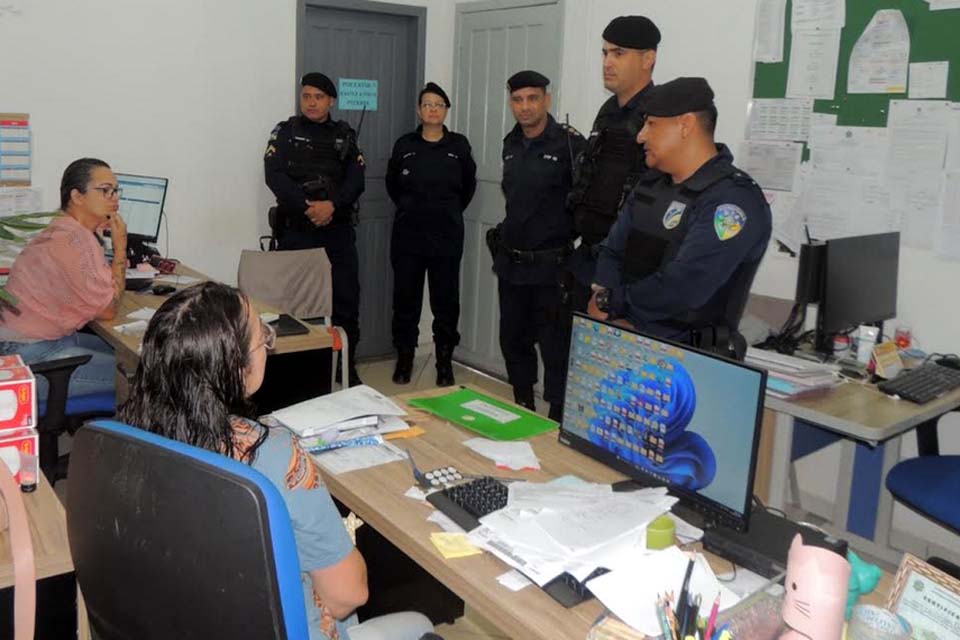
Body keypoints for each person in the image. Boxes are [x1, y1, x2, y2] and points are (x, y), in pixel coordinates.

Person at [117, 282, 440, 640]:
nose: (269, 345)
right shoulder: (273, 454)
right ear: (233, 366)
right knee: (420, 625)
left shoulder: (127, 438)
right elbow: (348, 596)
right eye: (262, 337)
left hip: (173, 622)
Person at [588, 77, 772, 356]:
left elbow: (685, 286)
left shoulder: (733, 200)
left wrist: (613, 303)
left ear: (685, 125)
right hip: (623, 343)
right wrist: (606, 307)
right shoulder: (650, 185)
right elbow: (612, 251)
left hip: (690, 363)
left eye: (651, 124)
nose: (640, 136)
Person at [493, 70, 585, 420]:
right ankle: (523, 405)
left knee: (555, 346)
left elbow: (587, 204)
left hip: (552, 268)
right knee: (514, 340)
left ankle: (558, 417)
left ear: (547, 99)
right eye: (518, 99)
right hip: (513, 264)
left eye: (533, 98)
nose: (525, 107)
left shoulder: (570, 145)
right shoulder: (510, 143)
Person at [265, 72, 365, 386]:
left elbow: (356, 179)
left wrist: (332, 205)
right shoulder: (285, 132)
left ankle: (345, 367)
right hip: (297, 230)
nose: (311, 102)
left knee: (345, 302)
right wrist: (308, 207)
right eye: (306, 96)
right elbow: (274, 175)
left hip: (336, 231)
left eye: (318, 97)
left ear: (330, 101)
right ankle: (294, 368)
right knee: (291, 303)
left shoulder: (345, 135)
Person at [0, 157, 125, 401]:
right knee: (139, 374)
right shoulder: (74, 241)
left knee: (124, 354)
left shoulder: (65, 229)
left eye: (116, 190)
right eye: (105, 190)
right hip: (32, 358)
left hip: (29, 343)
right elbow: (109, 310)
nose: (114, 198)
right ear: (77, 196)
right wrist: (120, 248)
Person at [567, 15, 661, 311]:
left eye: (619, 53)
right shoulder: (608, 111)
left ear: (648, 59)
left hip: (627, 268)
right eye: (605, 53)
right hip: (589, 257)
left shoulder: (659, 114)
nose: (607, 62)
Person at [385, 82, 476, 387]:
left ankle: (443, 362)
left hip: (446, 238)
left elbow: (468, 188)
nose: (433, 109)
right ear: (419, 110)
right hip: (408, 238)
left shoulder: (459, 146)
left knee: (446, 302)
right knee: (405, 301)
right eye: (427, 104)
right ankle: (406, 358)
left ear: (446, 110)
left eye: (439, 104)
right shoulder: (405, 145)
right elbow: (393, 186)